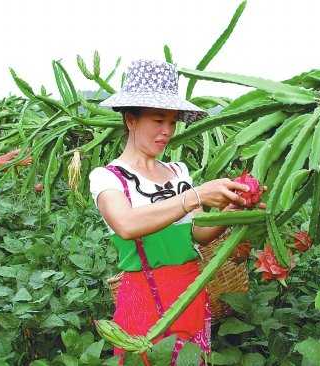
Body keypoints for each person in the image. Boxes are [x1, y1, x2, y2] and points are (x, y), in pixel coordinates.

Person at [89, 60, 251, 365]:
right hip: (141, 296)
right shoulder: (108, 178)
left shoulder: (178, 172)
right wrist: (194, 196)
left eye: (173, 122)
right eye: (158, 120)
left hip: (190, 291)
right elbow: (125, 224)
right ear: (130, 120)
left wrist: (229, 212)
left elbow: (199, 234)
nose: (167, 131)